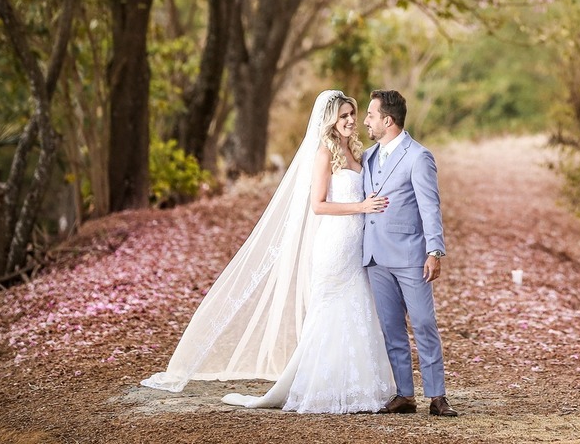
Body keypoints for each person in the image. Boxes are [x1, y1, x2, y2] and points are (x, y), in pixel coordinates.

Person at [142, 90, 395, 413]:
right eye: (343, 115)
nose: (349, 121)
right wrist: (361, 206)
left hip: (356, 247)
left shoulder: (356, 154)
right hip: (333, 246)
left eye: (352, 114)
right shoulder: (322, 153)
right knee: (330, 311)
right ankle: (322, 387)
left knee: (358, 308)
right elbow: (318, 205)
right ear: (330, 120)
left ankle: (359, 385)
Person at [362, 89, 458, 417]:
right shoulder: (368, 156)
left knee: (423, 324)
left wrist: (435, 252)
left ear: (388, 120)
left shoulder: (419, 156)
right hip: (374, 257)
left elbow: (430, 207)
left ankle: (437, 396)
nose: (366, 122)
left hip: (410, 256)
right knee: (391, 328)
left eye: (371, 116)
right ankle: (404, 394)